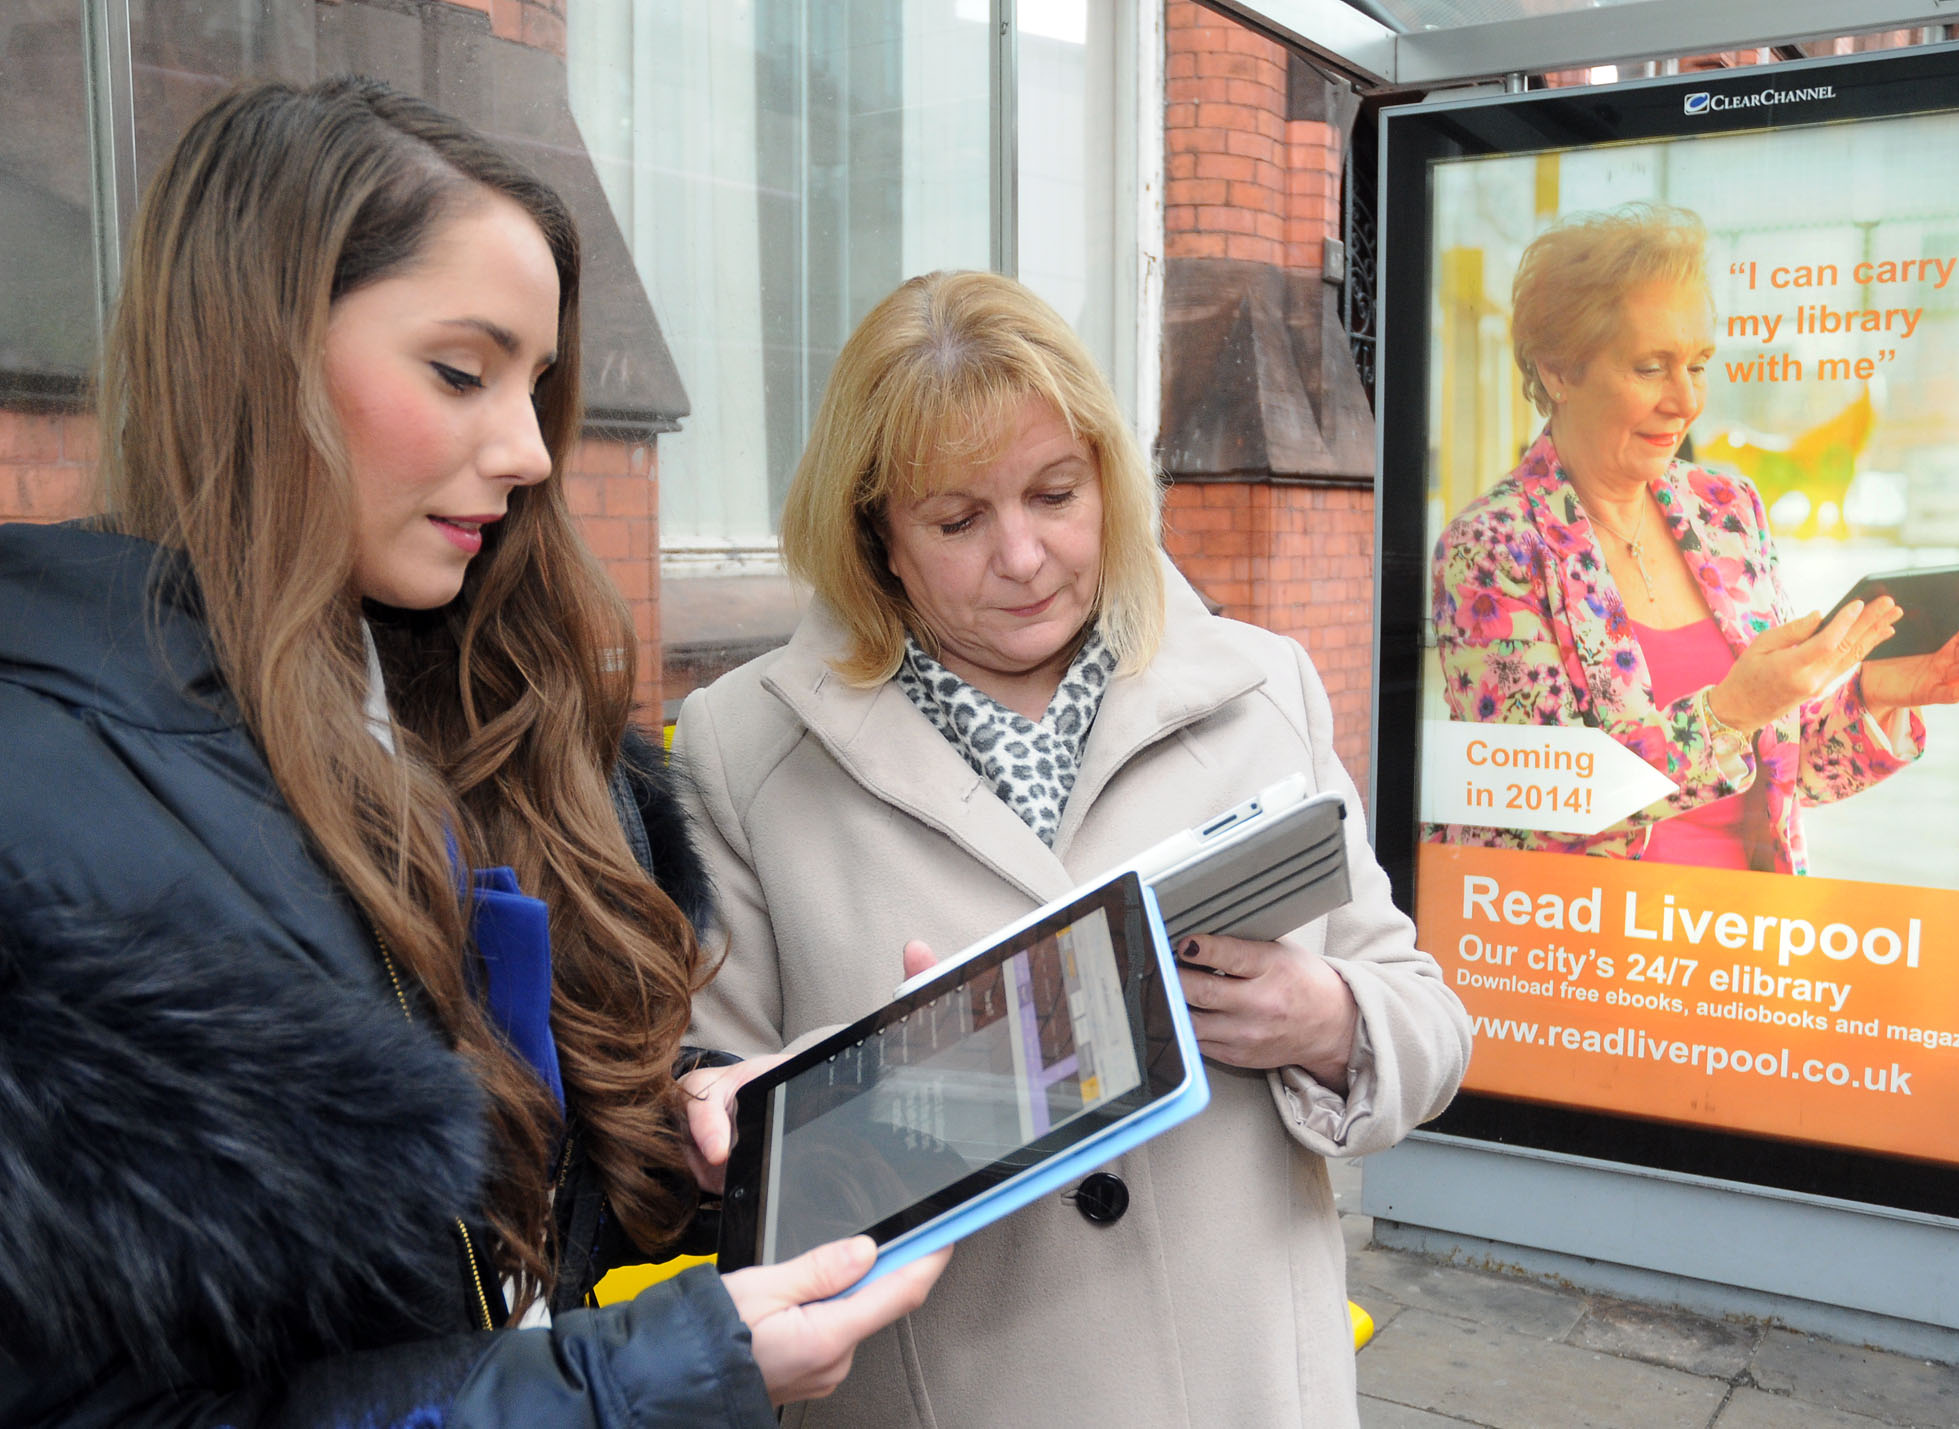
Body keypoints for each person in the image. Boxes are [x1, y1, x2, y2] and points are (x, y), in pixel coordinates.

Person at [0, 78, 941, 1428]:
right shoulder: (39, 817)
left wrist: (704, 1135)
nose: (523, 452)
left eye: (539, 385)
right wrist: (625, 1391)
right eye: (459, 371)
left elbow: (493, 1263)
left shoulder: (494, 724)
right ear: (251, 353)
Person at [672, 270, 1472, 1427]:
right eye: (957, 521)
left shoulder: (1263, 688)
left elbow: (1428, 1019)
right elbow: (708, 1109)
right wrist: (755, 1116)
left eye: (1056, 494)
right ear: (874, 534)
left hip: (1246, 1389)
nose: (1025, 555)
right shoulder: (742, 745)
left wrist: (1329, 1018)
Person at [1427, 203, 1959, 871]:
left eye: (1699, 364)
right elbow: (1534, 801)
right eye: (1651, 367)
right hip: (1576, 955)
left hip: (1739, 946)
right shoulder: (1491, 548)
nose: (1687, 401)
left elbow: (1783, 774)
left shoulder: (1727, 510)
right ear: (1559, 370)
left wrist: (1875, 695)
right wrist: (1730, 710)